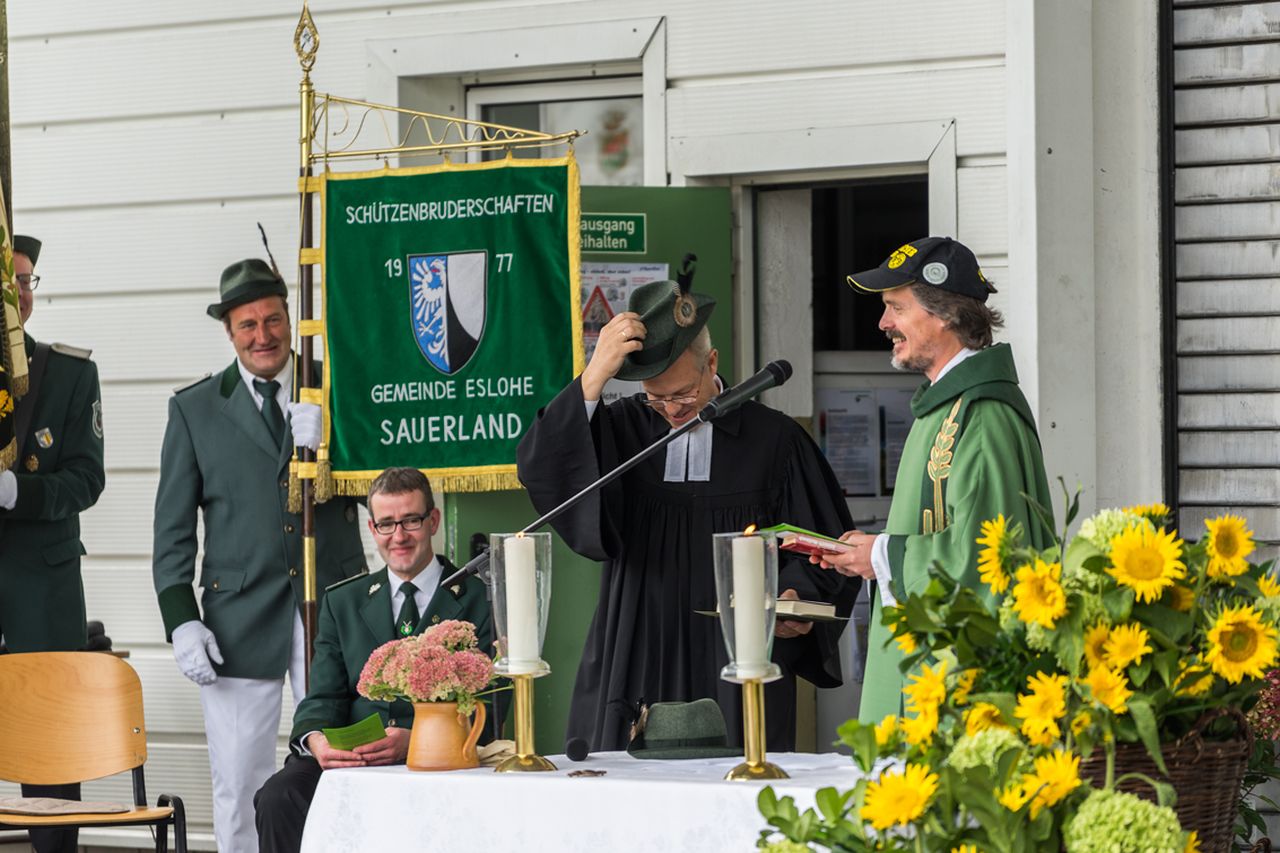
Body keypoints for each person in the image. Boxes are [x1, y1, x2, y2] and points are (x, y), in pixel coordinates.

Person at [517, 276, 857, 752]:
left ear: (712, 363)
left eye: (681, 394)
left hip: (738, 646)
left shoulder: (774, 441)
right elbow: (543, 465)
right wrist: (593, 376)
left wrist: (795, 595)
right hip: (637, 634)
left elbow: (824, 543)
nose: (671, 410)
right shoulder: (624, 428)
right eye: (655, 398)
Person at [152, 258, 367, 853]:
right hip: (238, 620)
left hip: (332, 606)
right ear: (229, 332)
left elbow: (383, 491)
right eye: (247, 325)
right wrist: (181, 619)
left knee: (345, 767)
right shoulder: (194, 409)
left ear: (289, 319)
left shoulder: (335, 387)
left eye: (273, 320)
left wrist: (336, 447)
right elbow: (172, 531)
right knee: (240, 781)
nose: (263, 335)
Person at [816, 236, 1053, 722]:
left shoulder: (982, 416)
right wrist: (870, 552)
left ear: (944, 314)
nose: (883, 324)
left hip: (958, 696)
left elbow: (988, 560)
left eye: (897, 308)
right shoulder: (946, 406)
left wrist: (879, 555)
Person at [254, 467, 492, 853]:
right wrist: (316, 741)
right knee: (279, 796)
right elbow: (323, 697)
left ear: (433, 521)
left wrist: (417, 740)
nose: (398, 536)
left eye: (411, 520)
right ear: (371, 528)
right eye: (386, 524)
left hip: (441, 759)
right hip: (356, 758)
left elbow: (493, 704)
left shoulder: (479, 598)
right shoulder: (343, 601)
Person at [0, 235, 104, 853]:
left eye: (26, 280)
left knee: (50, 762)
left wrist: (18, 492)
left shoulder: (67, 373)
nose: (19, 292)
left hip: (43, 594)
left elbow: (87, 478)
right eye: (8, 278)